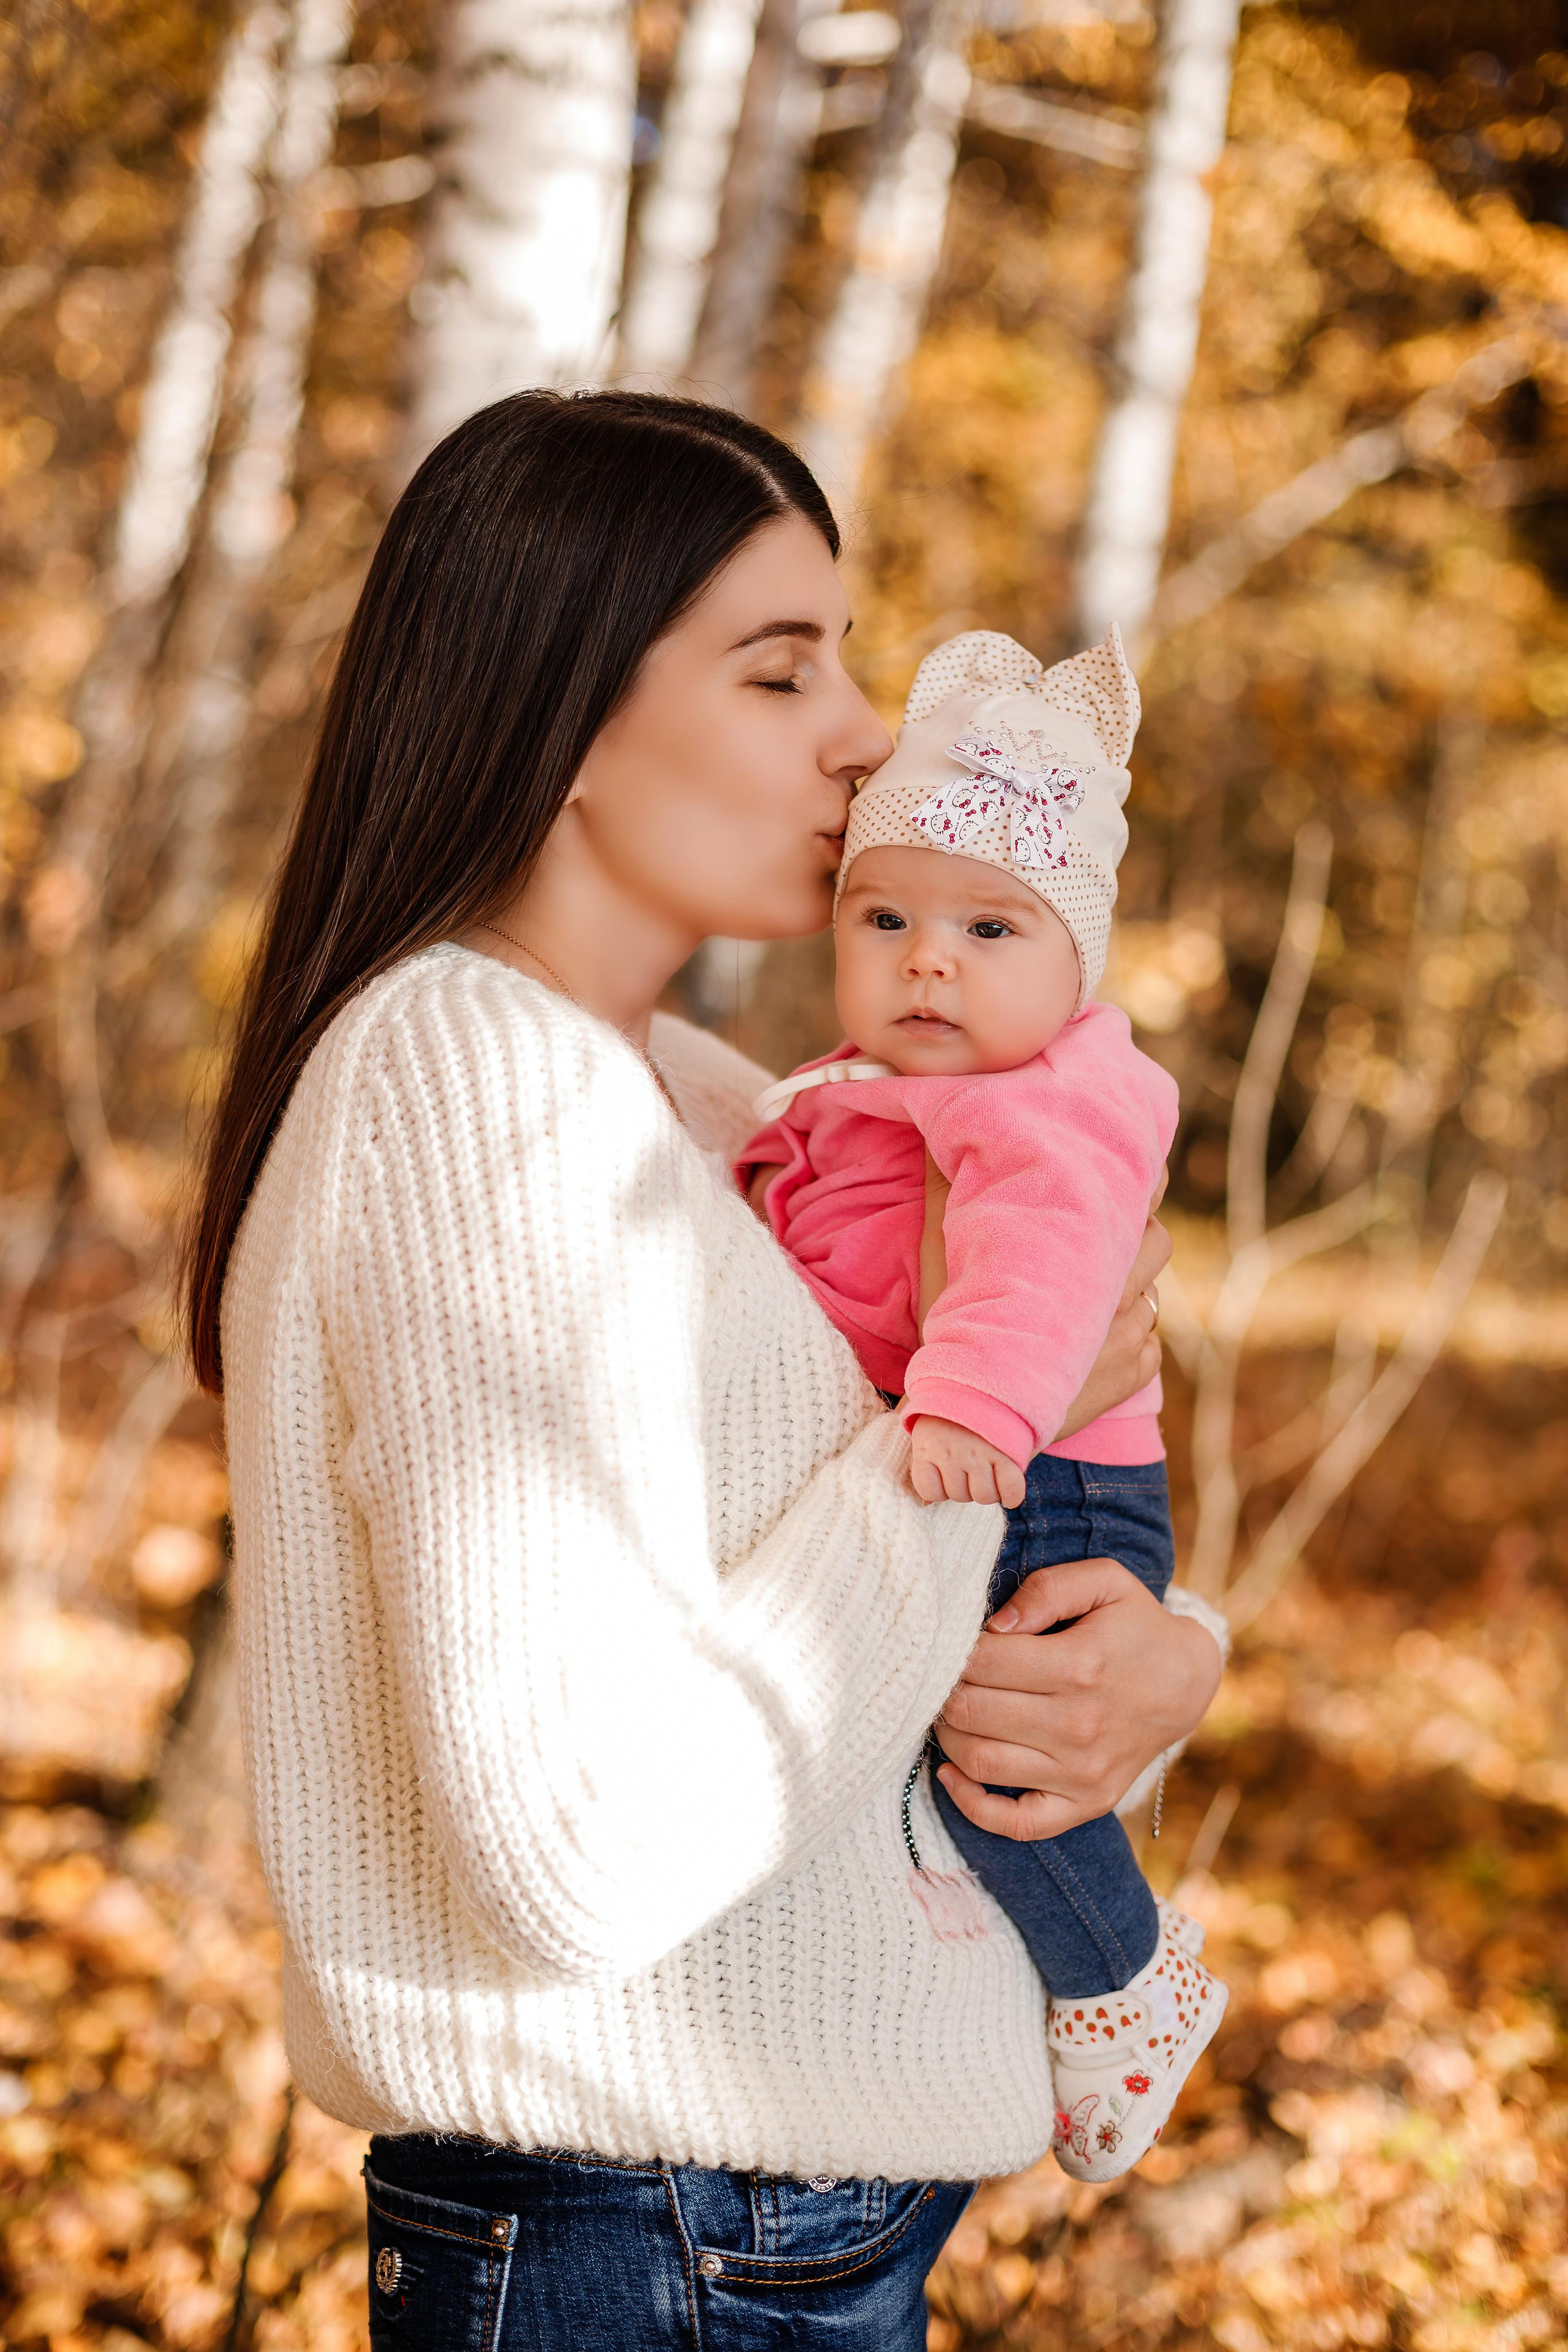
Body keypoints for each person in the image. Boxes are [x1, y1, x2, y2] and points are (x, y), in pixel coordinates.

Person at [186, 390, 1227, 2350]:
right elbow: (581, 1851)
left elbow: (871, 1681)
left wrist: (1162, 1666)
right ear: (565, 713)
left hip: (759, 2233)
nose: (865, 733)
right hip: (644, 2240)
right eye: (780, 670)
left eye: (848, 659)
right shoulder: (471, 1087)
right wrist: (961, 1451)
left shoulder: (722, 1107)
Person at [737, 625, 1227, 2186]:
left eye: (986, 927)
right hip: (995, 1452)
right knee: (971, 1756)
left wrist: (972, 1406)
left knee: (999, 1773)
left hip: (1048, 1477)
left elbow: (1043, 1265)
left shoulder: (1050, 1101)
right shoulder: (856, 1085)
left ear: (1075, 963)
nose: (925, 960)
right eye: (883, 917)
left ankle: (1125, 1984)